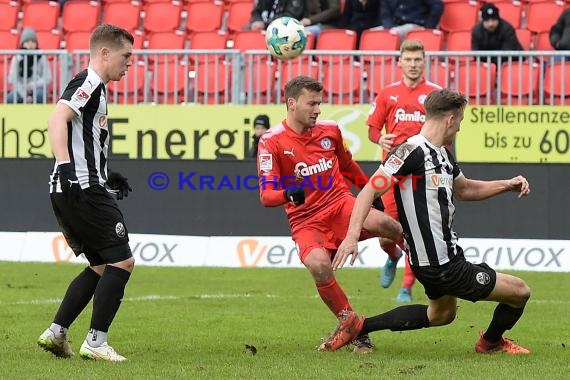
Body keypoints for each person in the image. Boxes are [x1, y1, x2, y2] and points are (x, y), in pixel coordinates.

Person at [319, 89, 531, 355]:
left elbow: (465, 190)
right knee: (520, 291)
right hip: (441, 264)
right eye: (461, 121)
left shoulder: (442, 155)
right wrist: (351, 237)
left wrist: (507, 185)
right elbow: (368, 192)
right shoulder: (410, 151)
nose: (460, 129)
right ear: (451, 119)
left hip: (435, 261)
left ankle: (358, 327)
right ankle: (490, 343)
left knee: (442, 314)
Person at [257, 76, 402, 353]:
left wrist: (370, 193)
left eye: (319, 103)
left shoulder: (331, 130)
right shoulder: (271, 142)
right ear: (291, 103)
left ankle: (422, 267)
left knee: (386, 223)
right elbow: (266, 195)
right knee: (319, 266)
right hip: (305, 220)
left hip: (339, 204)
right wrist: (288, 193)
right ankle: (352, 325)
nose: (318, 110)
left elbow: (348, 166)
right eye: (312, 103)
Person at [37, 24, 135, 362]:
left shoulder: (99, 88)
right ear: (105, 53)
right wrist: (67, 169)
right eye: (126, 56)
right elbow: (56, 120)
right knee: (122, 260)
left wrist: (109, 176)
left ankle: (57, 332)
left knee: (99, 264)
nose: (130, 63)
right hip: (79, 188)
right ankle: (96, 342)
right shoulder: (89, 81)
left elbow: (85, 140)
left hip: (75, 187)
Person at [367, 39, 441, 303]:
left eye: (417, 59)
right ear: (399, 62)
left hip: (421, 172)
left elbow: (446, 133)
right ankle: (392, 255)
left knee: (414, 231)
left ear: (424, 62)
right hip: (392, 170)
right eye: (408, 60)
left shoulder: (435, 95)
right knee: (388, 231)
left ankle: (407, 287)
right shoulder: (387, 93)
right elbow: (373, 129)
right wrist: (379, 140)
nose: (413, 64)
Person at [7, 28, 52, 104]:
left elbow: (47, 78)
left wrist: (33, 85)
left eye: (33, 41)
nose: (30, 44)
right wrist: (24, 93)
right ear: (23, 43)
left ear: (36, 43)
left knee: (40, 95)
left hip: (38, 89)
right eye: (27, 42)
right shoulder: (17, 58)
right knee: (11, 97)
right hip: (20, 89)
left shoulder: (42, 57)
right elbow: (12, 78)